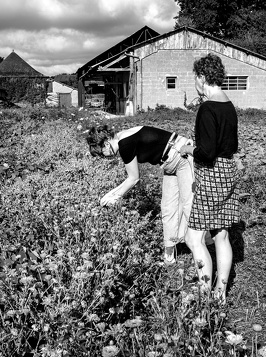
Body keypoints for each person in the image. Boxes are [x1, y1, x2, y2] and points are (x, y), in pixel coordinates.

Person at [179, 53, 241, 300]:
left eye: (196, 77)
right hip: (227, 171)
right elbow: (230, 145)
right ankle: (220, 292)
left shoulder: (207, 107)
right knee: (220, 233)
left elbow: (206, 152)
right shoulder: (228, 105)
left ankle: (205, 292)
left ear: (202, 77)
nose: (195, 82)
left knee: (193, 238)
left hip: (212, 173)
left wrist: (188, 149)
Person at [86, 125, 194, 263]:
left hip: (182, 155)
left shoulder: (125, 144)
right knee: (168, 207)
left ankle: (201, 246)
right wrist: (111, 194)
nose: (104, 157)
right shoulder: (123, 136)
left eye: (102, 153)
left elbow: (133, 179)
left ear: (106, 143)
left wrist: (114, 197)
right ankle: (169, 255)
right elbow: (130, 180)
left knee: (188, 205)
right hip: (169, 161)